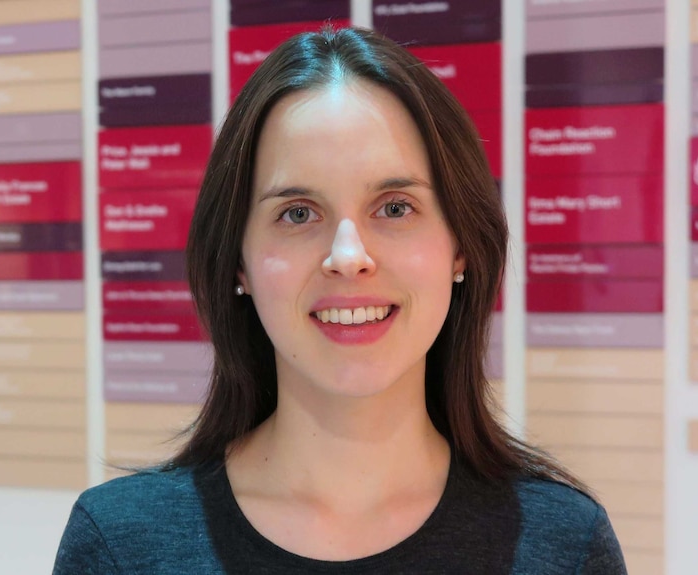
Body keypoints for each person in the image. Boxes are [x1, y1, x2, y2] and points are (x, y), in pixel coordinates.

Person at [53, 26, 627, 574]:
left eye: (395, 207)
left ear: (461, 248)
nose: (348, 255)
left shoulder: (564, 545)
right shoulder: (121, 546)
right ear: (238, 263)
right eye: (298, 213)